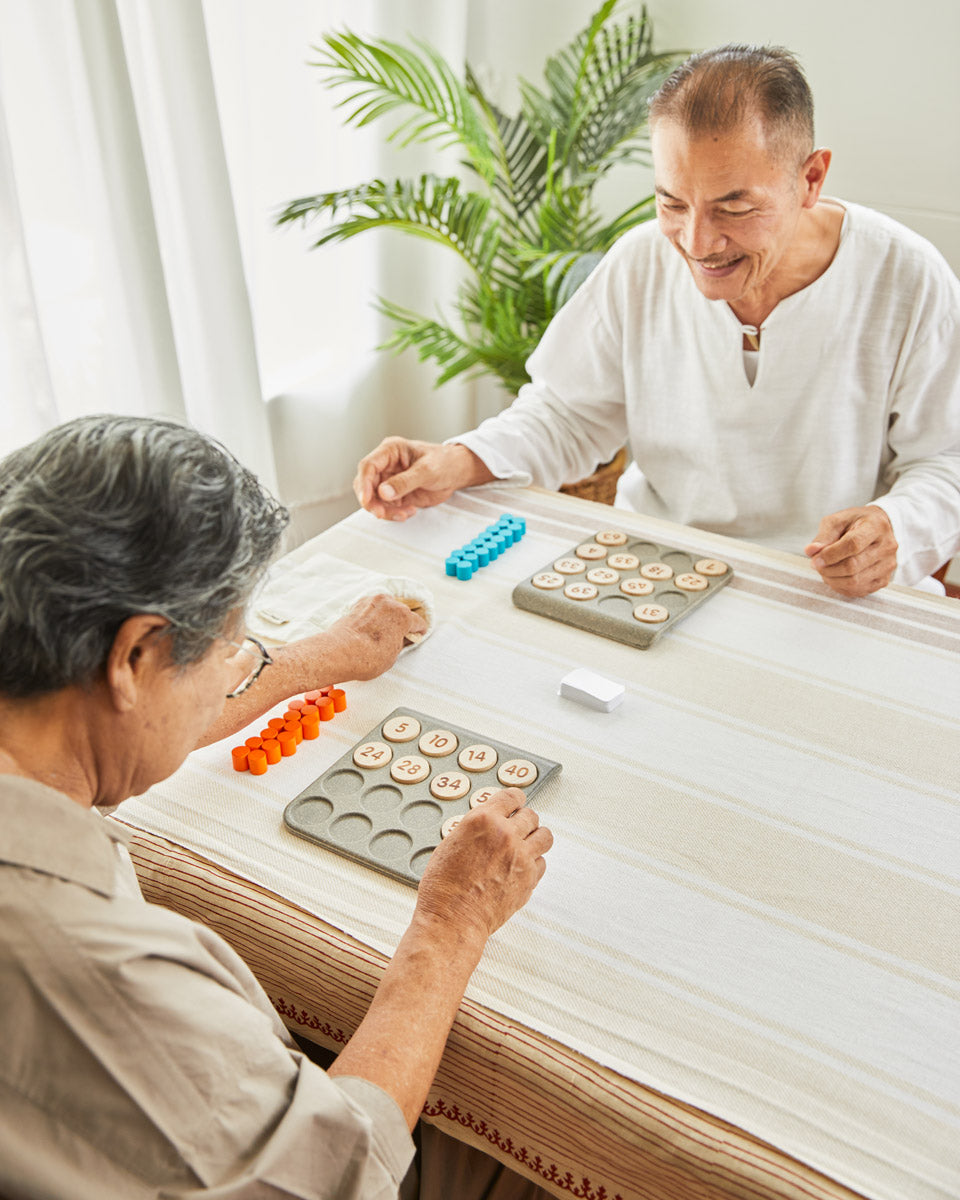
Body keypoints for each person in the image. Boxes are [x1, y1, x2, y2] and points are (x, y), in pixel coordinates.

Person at [0, 415, 553, 1198]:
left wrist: (315, 658)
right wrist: (449, 923)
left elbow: (124, 722)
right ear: (133, 656)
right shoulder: (102, 968)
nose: (236, 667)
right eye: (231, 644)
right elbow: (340, 1168)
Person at [353, 45, 960, 599]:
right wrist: (459, 458)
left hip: (824, 591)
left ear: (810, 179)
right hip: (651, 573)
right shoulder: (641, 259)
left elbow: (946, 462)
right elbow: (566, 415)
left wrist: (893, 528)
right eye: (672, 202)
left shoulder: (906, 277)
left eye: (736, 207)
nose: (696, 242)